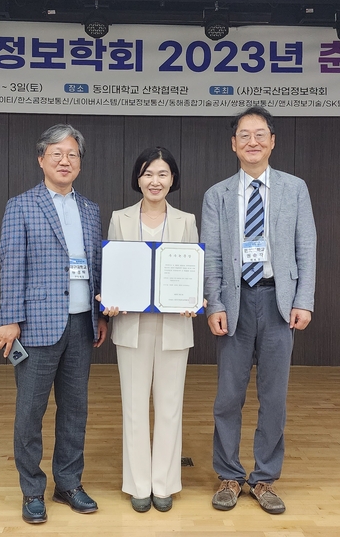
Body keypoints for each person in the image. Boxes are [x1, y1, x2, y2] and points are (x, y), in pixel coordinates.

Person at [201, 106, 317, 515]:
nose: (252, 141)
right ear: (233, 144)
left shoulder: (294, 188)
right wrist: (215, 303)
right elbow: (212, 255)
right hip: (234, 302)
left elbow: (306, 246)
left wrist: (303, 299)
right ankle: (229, 475)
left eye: (260, 134)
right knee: (228, 396)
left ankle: (265, 477)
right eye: (244, 135)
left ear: (272, 141)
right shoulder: (217, 195)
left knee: (274, 397)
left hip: (277, 302)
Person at [0, 123, 108, 524]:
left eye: (72, 154)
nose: (65, 161)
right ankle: (31, 490)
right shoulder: (21, 205)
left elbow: (95, 266)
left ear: (80, 163)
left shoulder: (90, 210)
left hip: (81, 323)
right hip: (37, 325)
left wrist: (99, 314)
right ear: (41, 159)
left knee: (75, 410)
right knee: (30, 411)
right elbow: (11, 265)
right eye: (56, 154)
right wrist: (10, 319)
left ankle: (68, 483)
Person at [99, 147, 199, 513]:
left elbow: (192, 269)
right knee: (134, 406)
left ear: (172, 179)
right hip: (131, 324)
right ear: (137, 179)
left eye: (162, 174)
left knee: (170, 407)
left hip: (174, 324)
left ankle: (165, 484)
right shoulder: (120, 218)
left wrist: (194, 298)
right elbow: (113, 269)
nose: (154, 181)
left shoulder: (186, 220)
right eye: (147, 174)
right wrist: (109, 300)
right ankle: (139, 484)